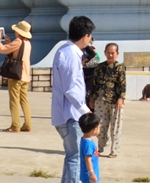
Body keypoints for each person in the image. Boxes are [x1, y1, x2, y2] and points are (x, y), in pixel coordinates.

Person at [53, 15, 96, 183]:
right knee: (76, 158)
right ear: (85, 35)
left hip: (66, 113)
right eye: (90, 35)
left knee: (71, 156)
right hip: (71, 115)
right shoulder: (71, 54)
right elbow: (71, 89)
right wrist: (86, 111)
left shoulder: (65, 50)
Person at [0, 20, 33, 133]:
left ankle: (15, 125)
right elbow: (18, 53)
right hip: (25, 75)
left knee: (14, 101)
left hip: (16, 75)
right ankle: (27, 124)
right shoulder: (27, 43)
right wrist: (9, 42)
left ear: (18, 32)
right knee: (24, 100)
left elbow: (1, 49)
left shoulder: (18, 41)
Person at [90, 42, 125, 158]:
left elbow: (122, 85)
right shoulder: (100, 67)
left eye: (112, 53)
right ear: (105, 53)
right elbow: (94, 84)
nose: (110, 55)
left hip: (115, 101)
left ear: (117, 54)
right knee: (100, 125)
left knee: (115, 126)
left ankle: (114, 151)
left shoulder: (120, 68)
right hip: (101, 100)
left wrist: (120, 98)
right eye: (108, 53)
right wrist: (92, 98)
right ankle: (100, 147)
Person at [78, 112, 100, 183]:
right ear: (94, 130)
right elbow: (88, 159)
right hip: (89, 176)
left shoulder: (83, 140)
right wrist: (91, 173)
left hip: (88, 174)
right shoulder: (88, 144)